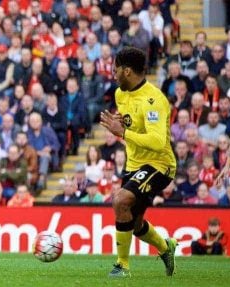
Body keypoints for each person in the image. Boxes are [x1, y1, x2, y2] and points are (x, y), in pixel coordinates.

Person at [99, 47, 177, 278]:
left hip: (159, 164)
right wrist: (123, 122)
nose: (113, 75)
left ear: (128, 71)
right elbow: (132, 123)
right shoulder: (120, 94)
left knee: (120, 201)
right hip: (134, 164)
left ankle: (122, 266)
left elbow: (156, 141)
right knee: (134, 223)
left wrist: (122, 133)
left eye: (116, 71)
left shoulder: (154, 100)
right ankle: (166, 247)